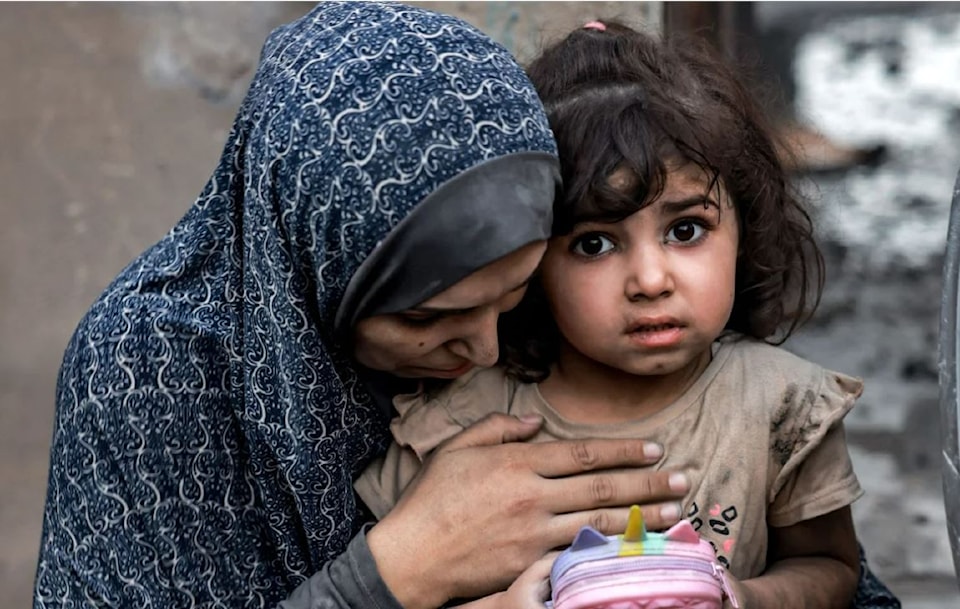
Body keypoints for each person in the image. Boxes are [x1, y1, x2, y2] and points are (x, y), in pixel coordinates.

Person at [32, 5, 692, 609]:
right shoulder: (142, 368)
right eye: (426, 320)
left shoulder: (567, 315)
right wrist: (395, 570)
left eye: (512, 297)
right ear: (310, 266)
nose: (486, 350)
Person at [355, 20, 898, 609]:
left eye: (685, 230)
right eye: (594, 244)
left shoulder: (781, 408)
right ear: (532, 262)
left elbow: (830, 566)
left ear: (744, 232)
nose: (650, 281)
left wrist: (744, 598)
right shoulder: (466, 422)